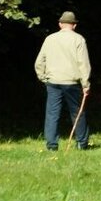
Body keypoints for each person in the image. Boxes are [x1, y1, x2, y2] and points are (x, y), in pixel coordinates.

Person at [34, 11, 91, 151]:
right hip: (71, 82)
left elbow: (39, 61)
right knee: (77, 112)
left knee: (52, 114)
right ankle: (82, 143)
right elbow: (83, 63)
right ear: (74, 25)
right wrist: (86, 84)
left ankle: (52, 145)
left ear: (60, 24)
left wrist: (42, 77)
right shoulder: (79, 39)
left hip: (53, 82)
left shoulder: (50, 39)